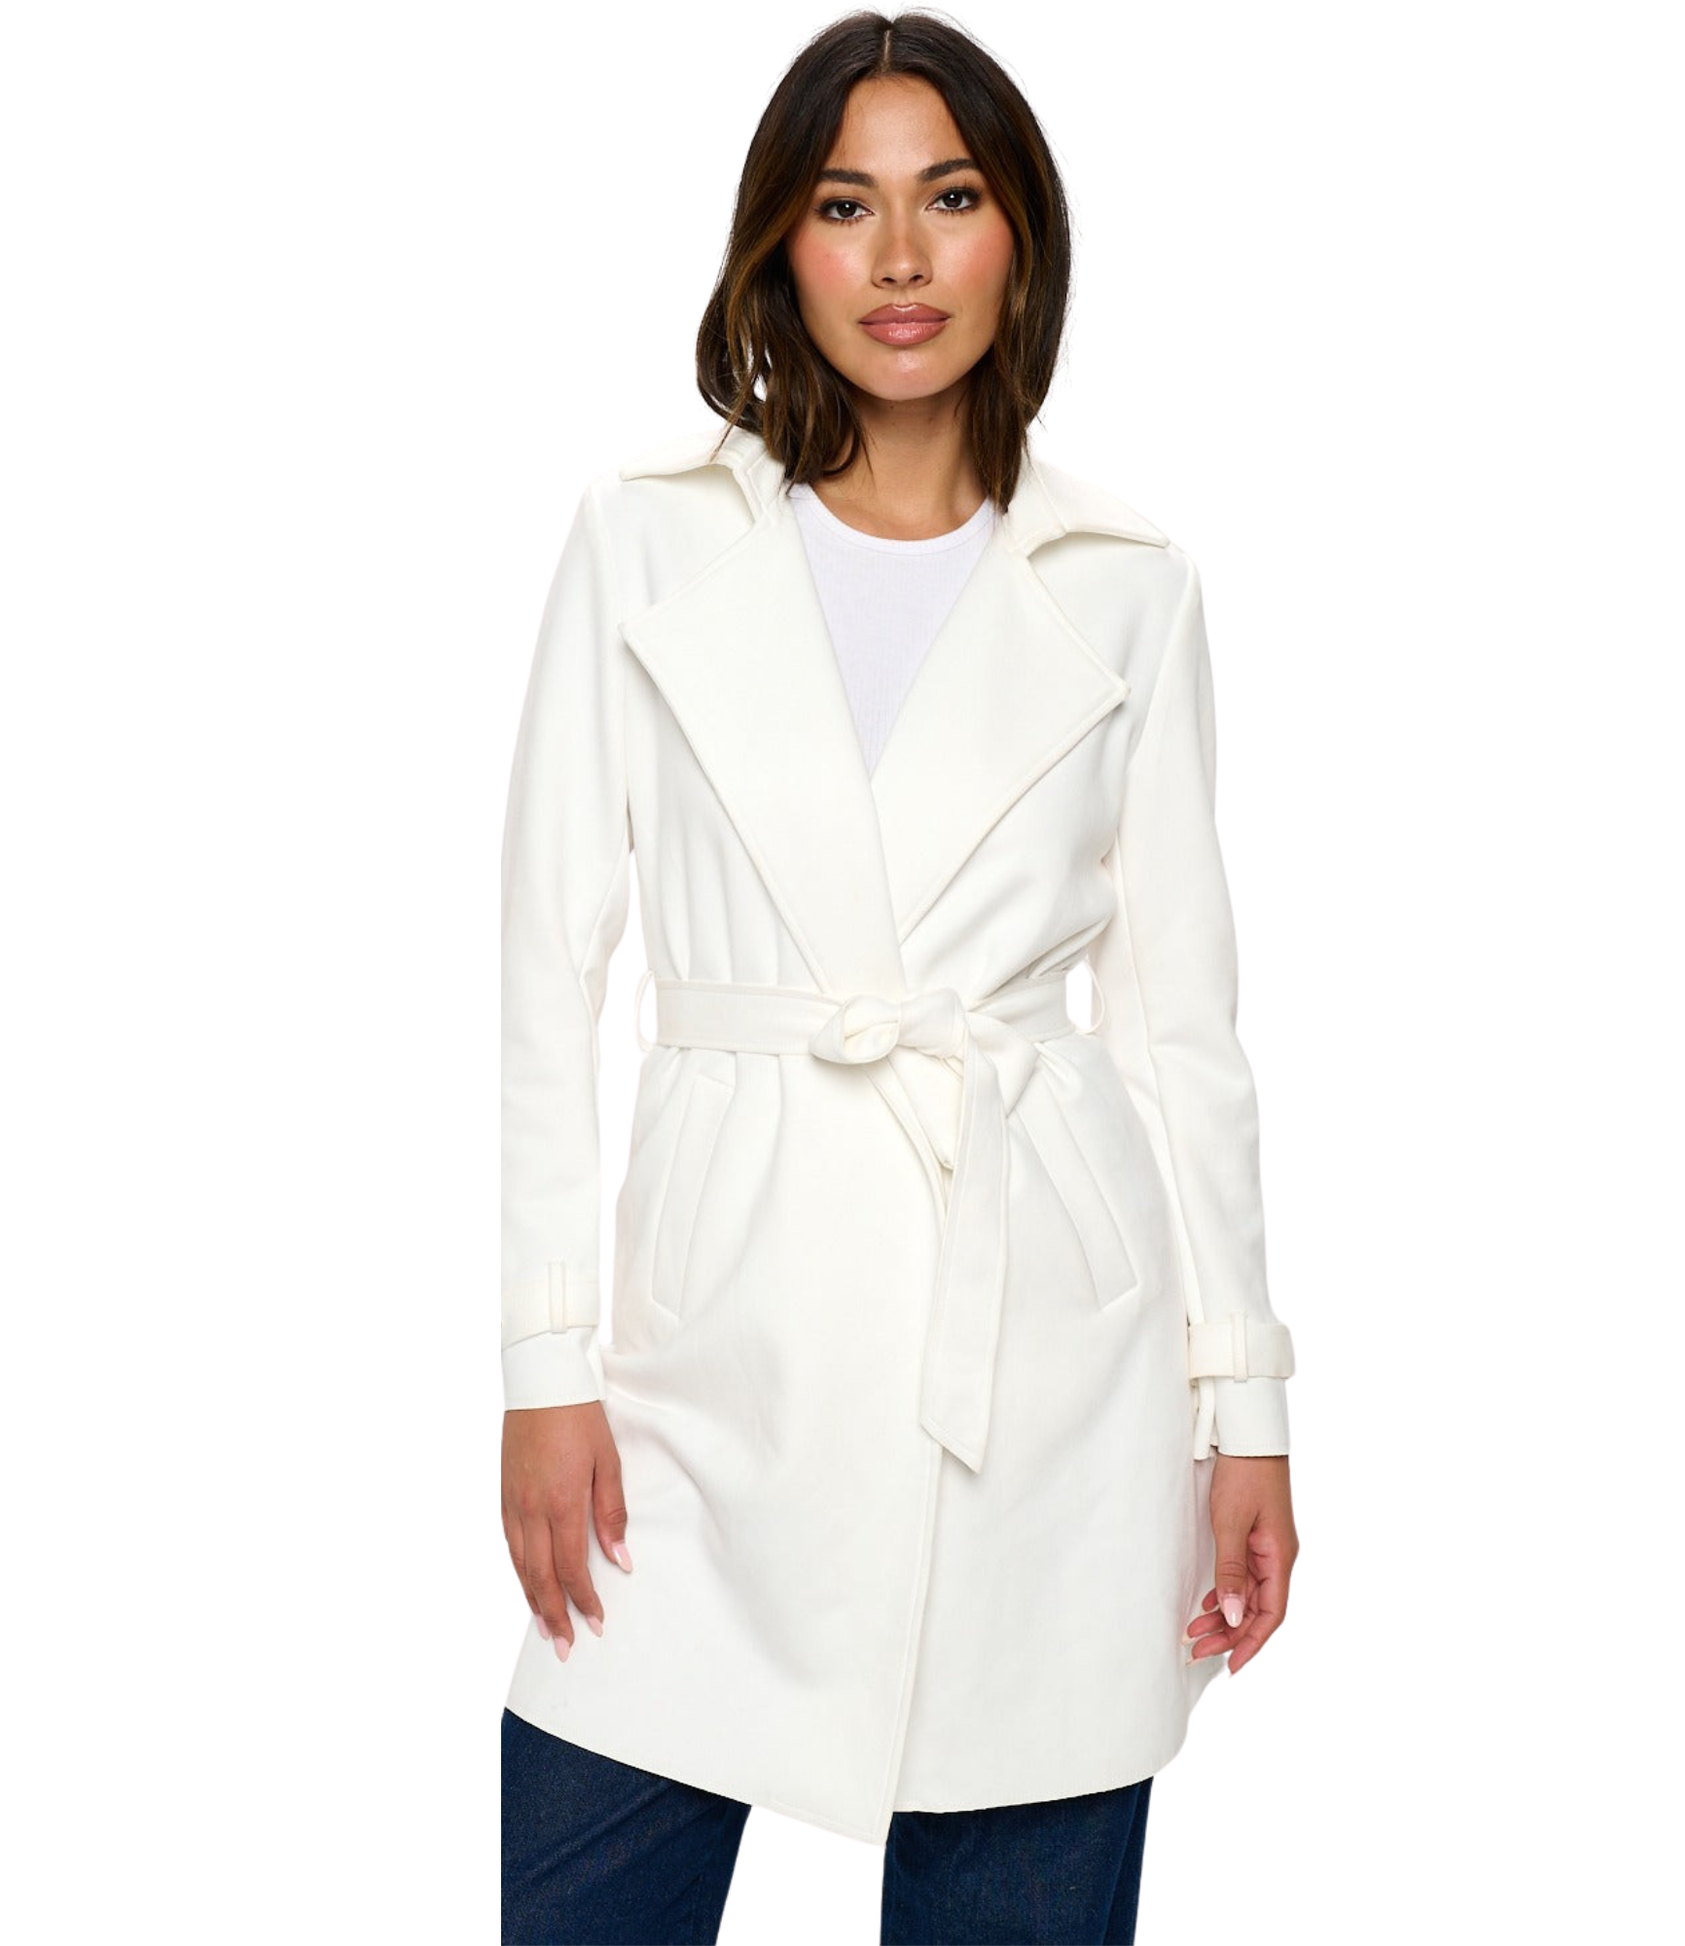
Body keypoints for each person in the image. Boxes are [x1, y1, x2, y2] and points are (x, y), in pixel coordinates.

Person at [497, 11, 1302, 1942]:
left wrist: (1243, 1397)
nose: (900, 256)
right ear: (779, 243)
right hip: (705, 1358)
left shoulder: (1124, 580)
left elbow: (1179, 1023)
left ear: (1019, 234)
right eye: (844, 206)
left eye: (949, 198)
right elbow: (544, 963)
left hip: (1047, 1364)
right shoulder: (643, 542)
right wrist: (543, 1359)